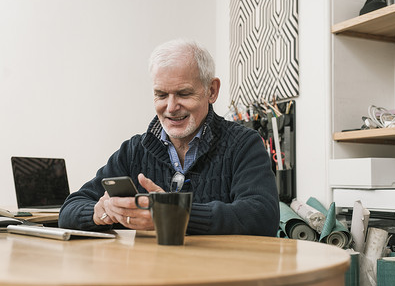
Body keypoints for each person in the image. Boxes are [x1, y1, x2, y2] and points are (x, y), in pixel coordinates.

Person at [58, 39, 280, 236]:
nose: (171, 107)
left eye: (184, 93)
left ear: (211, 90)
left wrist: (173, 214)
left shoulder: (244, 143)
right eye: (161, 95)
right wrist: (99, 214)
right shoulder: (134, 149)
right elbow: (69, 209)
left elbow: (262, 216)